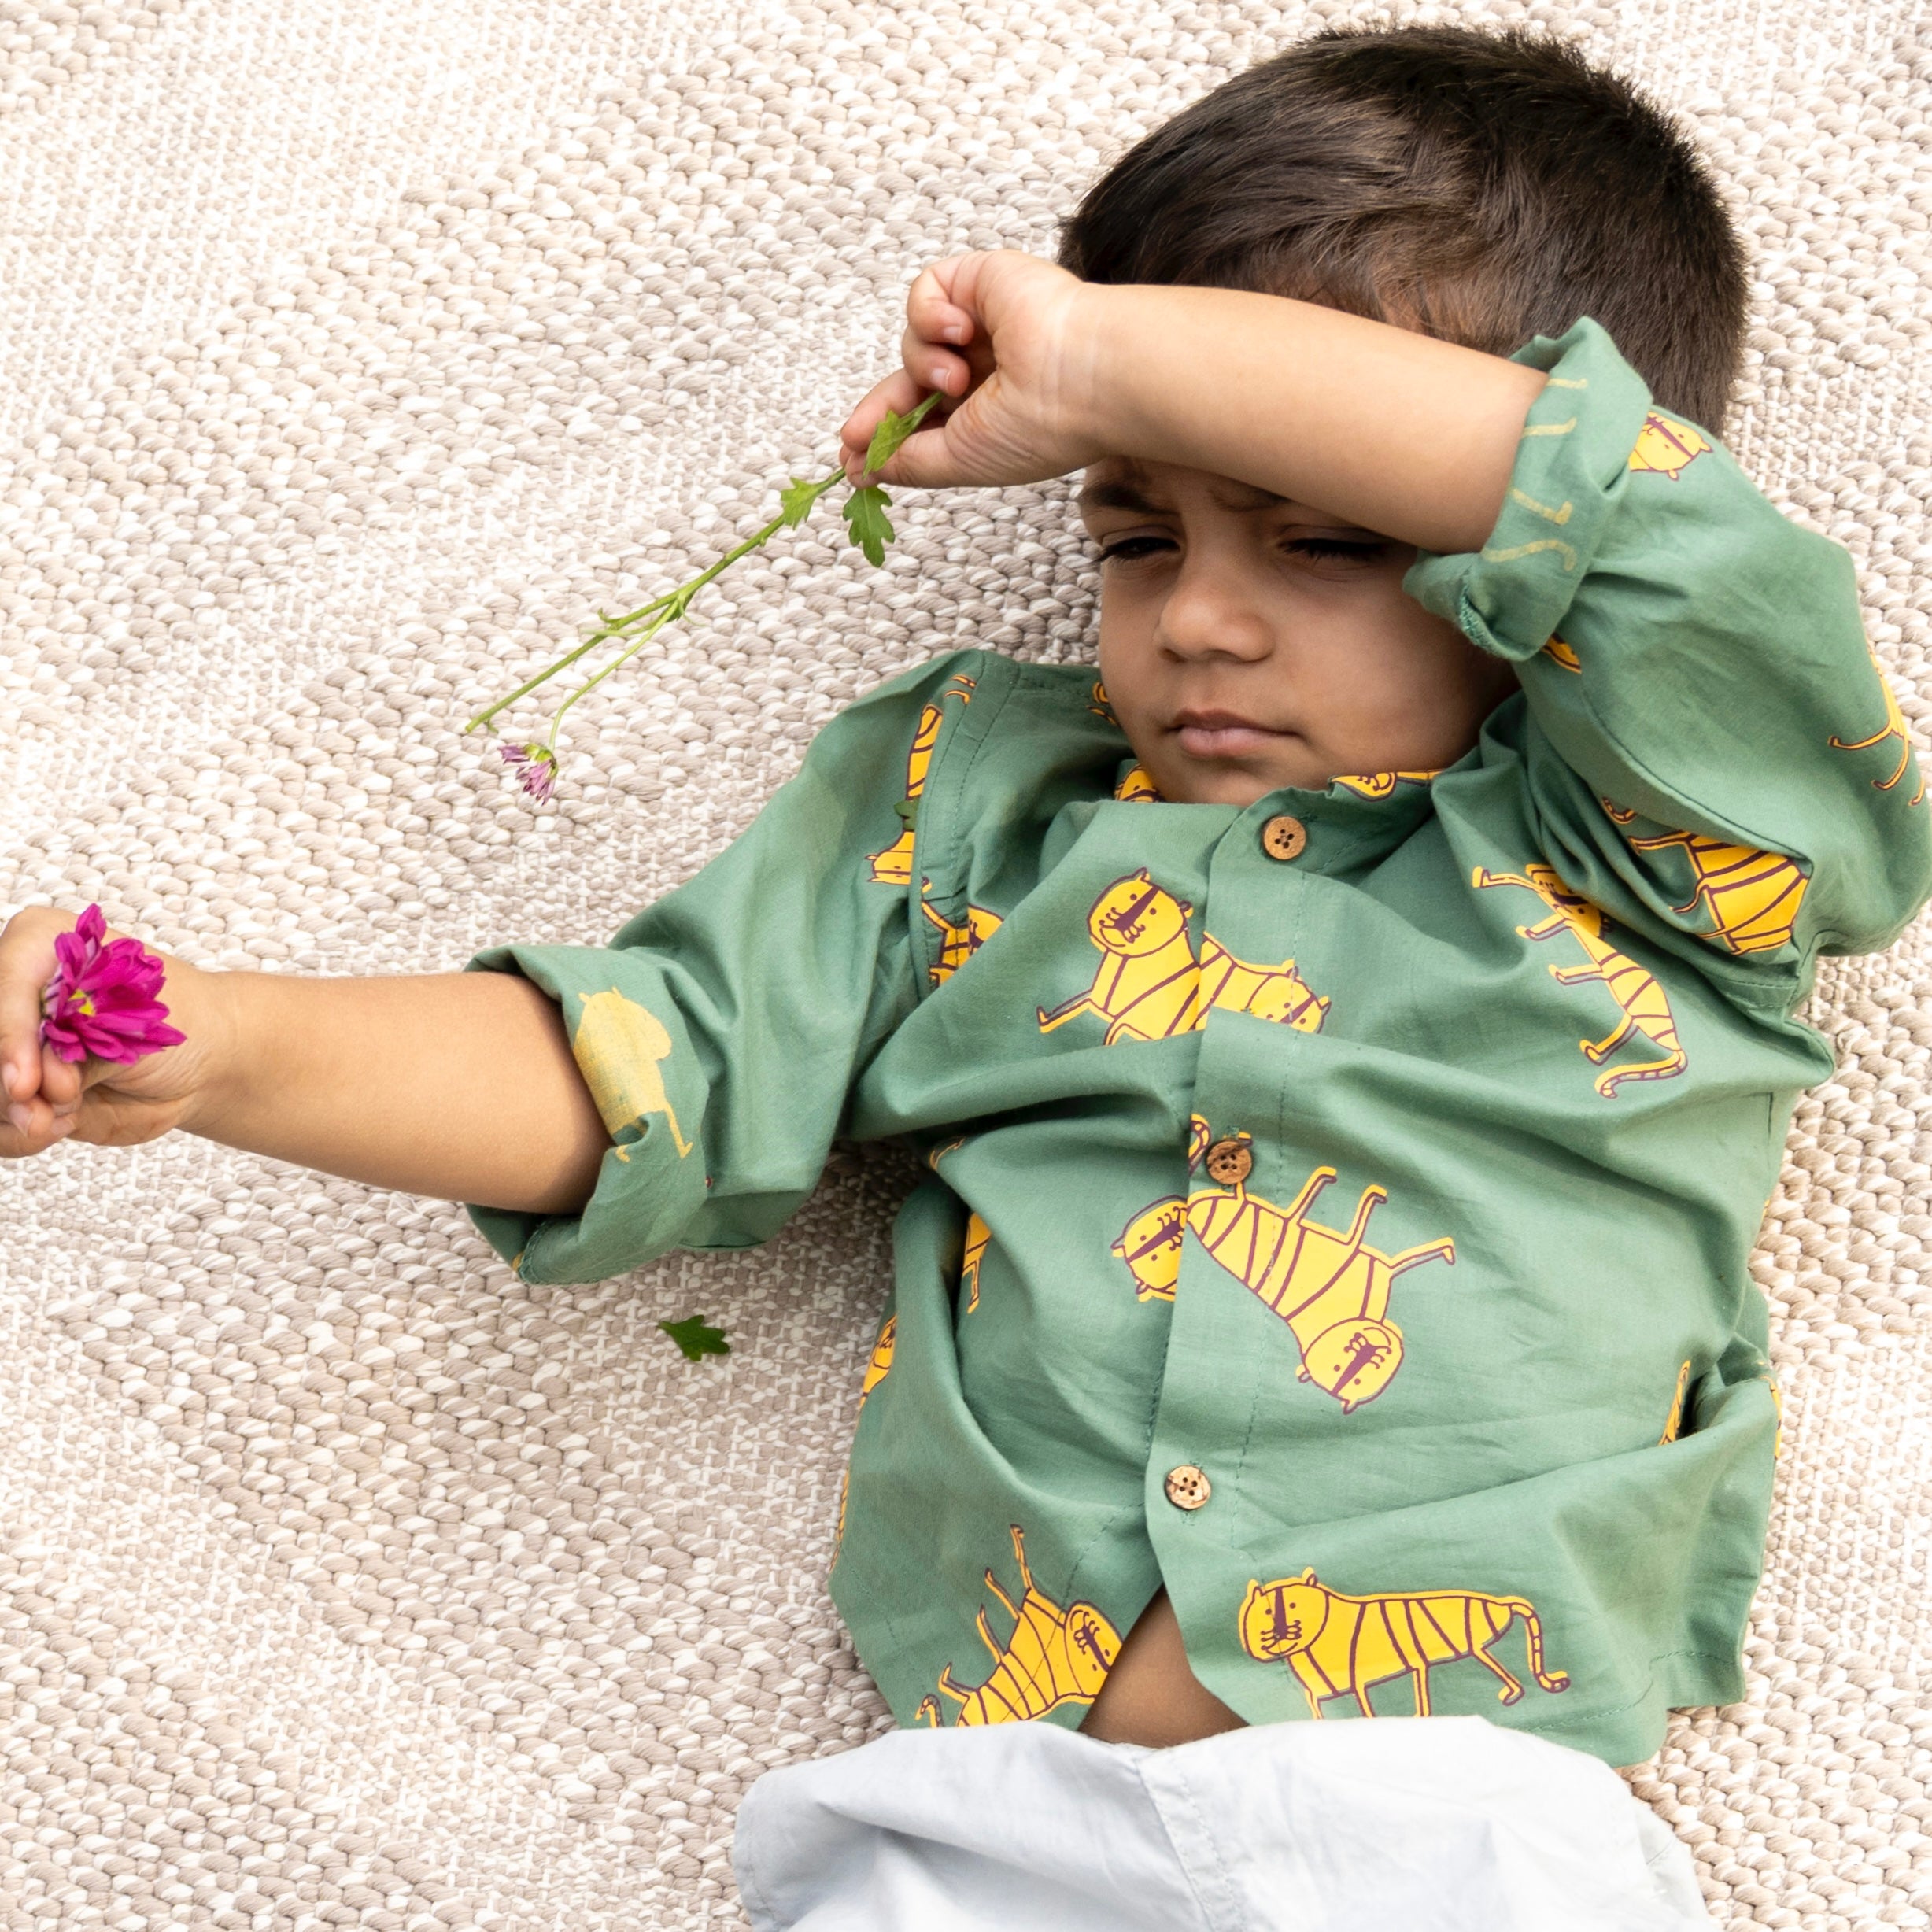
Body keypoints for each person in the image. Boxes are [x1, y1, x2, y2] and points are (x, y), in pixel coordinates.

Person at [4, 23, 1926, 1929]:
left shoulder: (1667, 844)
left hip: (1453, 1809)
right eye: (1129, 529)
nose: (1198, 617)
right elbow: (647, 1062)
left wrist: (1103, 356)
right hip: (982, 1813)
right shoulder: (977, 802)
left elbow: (1650, 526)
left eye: (1330, 538)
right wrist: (226, 1046)